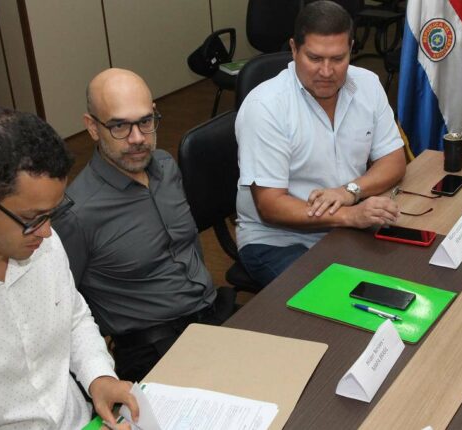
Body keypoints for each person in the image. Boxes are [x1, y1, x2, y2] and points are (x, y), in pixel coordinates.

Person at [0, 108, 137, 429]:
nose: (46, 232)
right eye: (32, 219)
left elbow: (73, 318)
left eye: (52, 214)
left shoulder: (38, 237)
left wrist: (99, 377)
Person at [53, 68, 236, 383]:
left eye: (145, 122)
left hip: (212, 315)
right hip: (152, 348)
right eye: (120, 125)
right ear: (92, 128)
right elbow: (61, 306)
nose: (138, 138)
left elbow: (187, 244)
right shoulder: (77, 213)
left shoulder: (165, 166)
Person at [235, 0, 406, 286]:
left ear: (351, 49)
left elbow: (394, 160)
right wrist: (349, 216)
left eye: (338, 59)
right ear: (293, 49)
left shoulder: (368, 84)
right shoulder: (265, 106)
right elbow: (271, 206)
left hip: (345, 226)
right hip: (277, 241)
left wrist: (349, 192)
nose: (326, 72)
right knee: (337, 304)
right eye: (314, 58)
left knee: (409, 275)